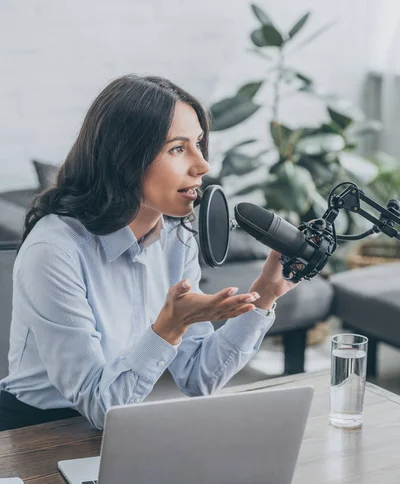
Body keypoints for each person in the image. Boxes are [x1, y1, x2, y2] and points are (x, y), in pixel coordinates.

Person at [0, 74, 297, 431]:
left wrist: (264, 294)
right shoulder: (54, 251)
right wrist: (170, 326)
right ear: (126, 159)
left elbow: (197, 376)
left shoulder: (178, 238)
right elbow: (100, 404)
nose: (202, 165)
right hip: (34, 433)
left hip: (121, 425)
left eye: (199, 144)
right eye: (177, 148)